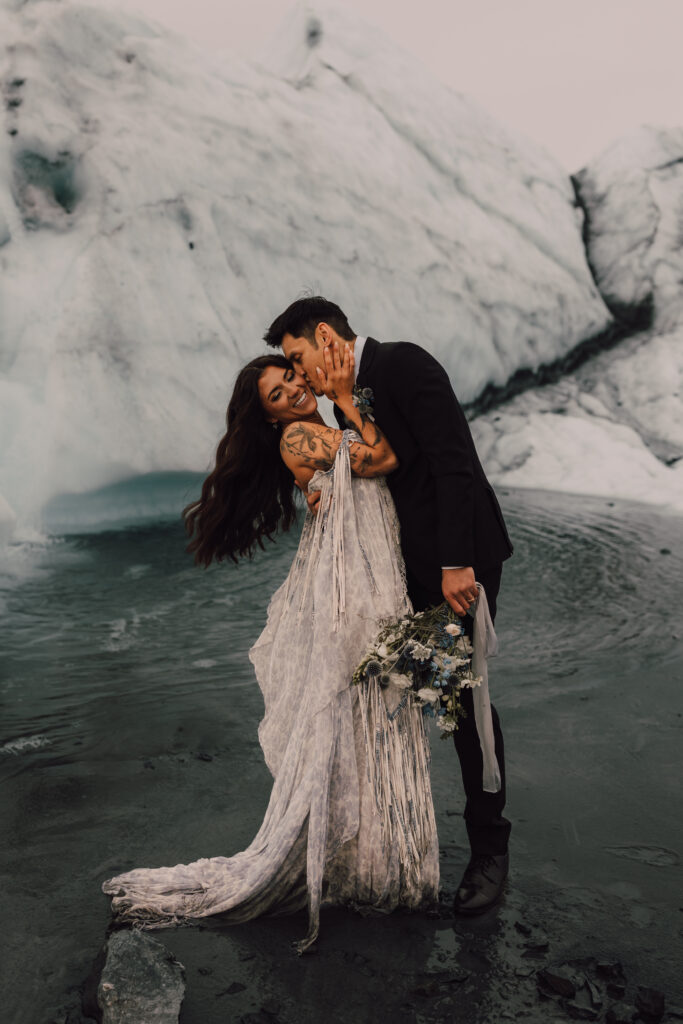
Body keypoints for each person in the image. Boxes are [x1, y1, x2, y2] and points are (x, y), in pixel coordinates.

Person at [102, 352, 439, 953]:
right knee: (361, 710)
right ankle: (369, 853)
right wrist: (350, 402)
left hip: (362, 569)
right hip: (353, 582)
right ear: (269, 418)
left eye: (290, 381)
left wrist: (332, 433)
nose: (292, 394)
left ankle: (365, 849)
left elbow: (345, 479)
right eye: (277, 397)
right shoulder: (304, 433)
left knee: (364, 711)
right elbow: (383, 457)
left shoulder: (315, 425)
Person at [264, 297, 514, 915]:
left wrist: (458, 562)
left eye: (297, 357)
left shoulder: (406, 365)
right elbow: (364, 473)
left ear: (325, 336)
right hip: (406, 574)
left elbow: (455, 465)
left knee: (462, 698)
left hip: (460, 567)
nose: (299, 375)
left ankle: (490, 849)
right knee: (406, 695)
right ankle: (391, 837)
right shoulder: (344, 396)